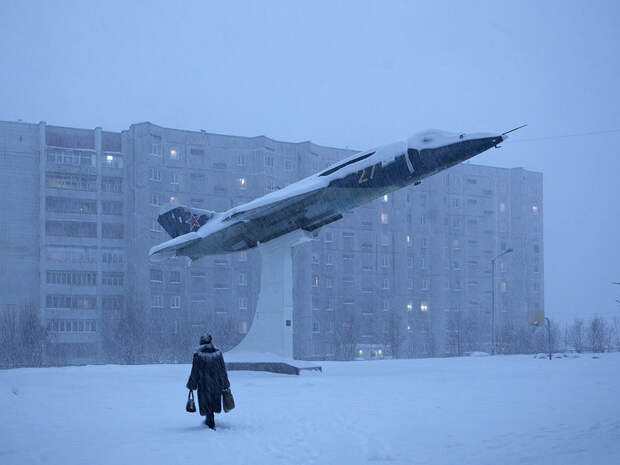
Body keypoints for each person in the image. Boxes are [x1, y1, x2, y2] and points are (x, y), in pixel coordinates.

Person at [186, 334, 231, 430]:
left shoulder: (198, 355)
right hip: (216, 383)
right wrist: (225, 384)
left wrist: (192, 385)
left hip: (204, 384)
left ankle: (209, 420)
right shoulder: (218, 354)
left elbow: (195, 371)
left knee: (206, 402)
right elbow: (222, 370)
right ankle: (211, 420)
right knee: (213, 401)